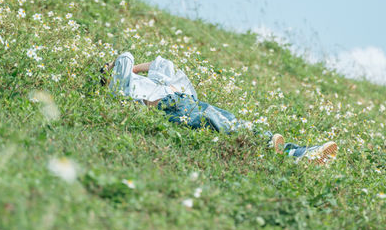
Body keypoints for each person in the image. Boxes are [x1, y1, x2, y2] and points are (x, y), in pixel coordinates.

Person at [102, 51, 337, 164]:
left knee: (231, 122)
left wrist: (136, 71)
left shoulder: (135, 80)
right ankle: (287, 150)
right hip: (170, 107)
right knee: (221, 123)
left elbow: (162, 65)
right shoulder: (119, 87)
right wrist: (113, 66)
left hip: (185, 101)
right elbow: (125, 58)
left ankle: (298, 153)